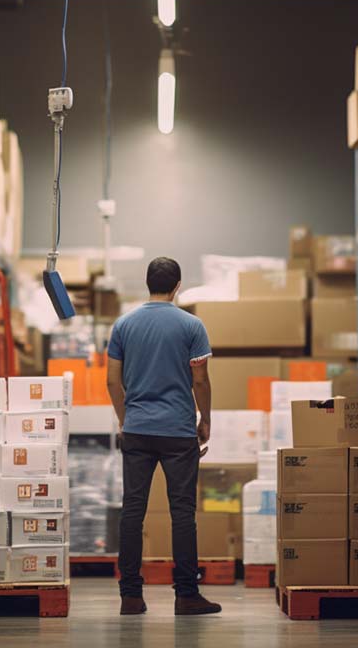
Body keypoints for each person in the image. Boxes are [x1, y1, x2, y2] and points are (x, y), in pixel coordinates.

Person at [107, 257, 222, 616]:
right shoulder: (192, 325)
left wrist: (127, 420)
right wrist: (205, 418)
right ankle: (187, 595)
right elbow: (199, 379)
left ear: (147, 283)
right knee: (182, 514)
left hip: (138, 430)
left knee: (132, 512)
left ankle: (130, 596)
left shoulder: (123, 324)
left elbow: (113, 381)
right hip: (178, 432)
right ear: (178, 286)